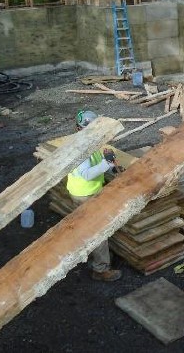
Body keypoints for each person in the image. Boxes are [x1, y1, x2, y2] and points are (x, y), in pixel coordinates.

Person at [66, 110, 122, 282]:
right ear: (82, 128)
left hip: (88, 191)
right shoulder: (80, 148)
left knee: (90, 228)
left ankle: (96, 256)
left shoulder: (88, 141)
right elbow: (86, 175)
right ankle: (100, 269)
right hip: (85, 193)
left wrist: (109, 166)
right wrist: (106, 164)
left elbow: (95, 163)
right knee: (98, 231)